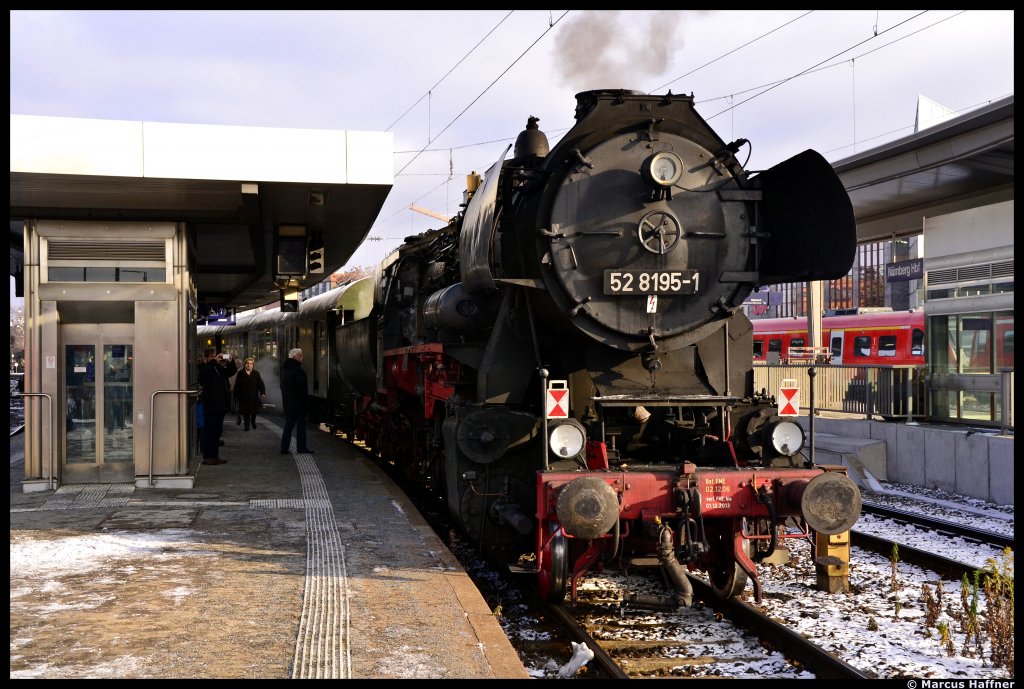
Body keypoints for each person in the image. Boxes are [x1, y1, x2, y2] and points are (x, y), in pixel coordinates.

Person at [197, 348, 237, 465]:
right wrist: (213, 361)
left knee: (217, 431)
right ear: (207, 357)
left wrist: (230, 361)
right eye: (212, 356)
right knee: (209, 431)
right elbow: (202, 377)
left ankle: (215, 455)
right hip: (211, 404)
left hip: (220, 405)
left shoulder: (217, 367)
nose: (215, 357)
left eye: (215, 355)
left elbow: (230, 372)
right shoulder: (204, 367)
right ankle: (207, 456)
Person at [280, 348, 313, 454]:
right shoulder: (298, 370)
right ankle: (301, 447)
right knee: (301, 428)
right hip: (298, 404)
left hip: (289, 403)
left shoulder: (286, 369)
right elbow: (301, 388)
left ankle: (284, 447)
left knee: (288, 426)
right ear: (294, 357)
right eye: (300, 355)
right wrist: (304, 402)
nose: (302, 357)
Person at [233, 356, 267, 431]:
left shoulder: (256, 373)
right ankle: (246, 426)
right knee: (246, 412)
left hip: (253, 397)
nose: (249, 365)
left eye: (251, 363)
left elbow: (260, 384)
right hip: (243, 397)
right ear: (245, 364)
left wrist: (262, 392)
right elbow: (237, 385)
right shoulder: (240, 373)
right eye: (247, 363)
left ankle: (253, 421)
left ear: (253, 365)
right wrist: (235, 396)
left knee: (254, 412)